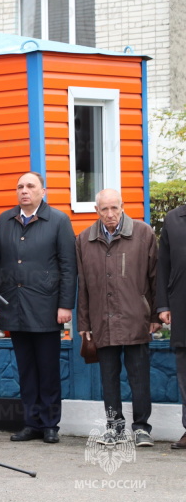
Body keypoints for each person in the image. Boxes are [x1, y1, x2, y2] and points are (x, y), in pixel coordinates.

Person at [0, 171, 77, 444]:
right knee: (25, 370)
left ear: (43, 191)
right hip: (14, 306)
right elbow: (0, 263)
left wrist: (65, 304)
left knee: (48, 370)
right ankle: (31, 423)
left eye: (30, 186)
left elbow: (68, 266)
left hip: (46, 307)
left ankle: (50, 424)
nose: (24, 190)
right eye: (20, 187)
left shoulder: (59, 220)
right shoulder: (4, 220)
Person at [76, 189, 159, 447]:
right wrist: (84, 323)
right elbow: (83, 286)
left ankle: (142, 428)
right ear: (96, 211)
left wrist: (156, 314)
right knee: (108, 378)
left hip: (136, 317)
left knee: (139, 376)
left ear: (123, 206)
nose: (110, 214)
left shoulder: (143, 233)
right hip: (102, 319)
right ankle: (114, 428)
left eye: (115, 208)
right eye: (104, 209)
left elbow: (155, 277)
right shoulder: (84, 239)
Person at [156, 202, 186, 450]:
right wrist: (163, 305)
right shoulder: (174, 219)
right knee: (185, 373)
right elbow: (162, 266)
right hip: (182, 307)